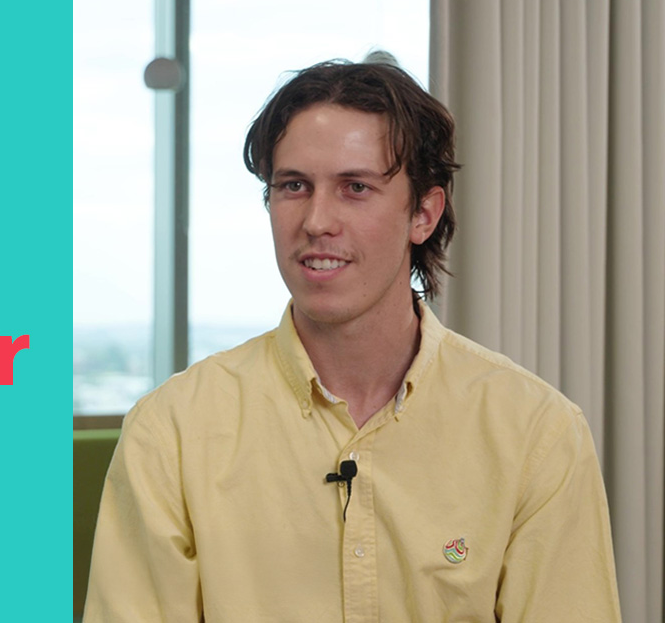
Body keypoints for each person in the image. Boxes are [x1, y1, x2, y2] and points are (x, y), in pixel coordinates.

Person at [83, 59, 621, 622]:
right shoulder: (171, 431)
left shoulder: (536, 433)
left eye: (355, 187)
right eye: (294, 186)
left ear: (424, 214)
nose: (317, 220)